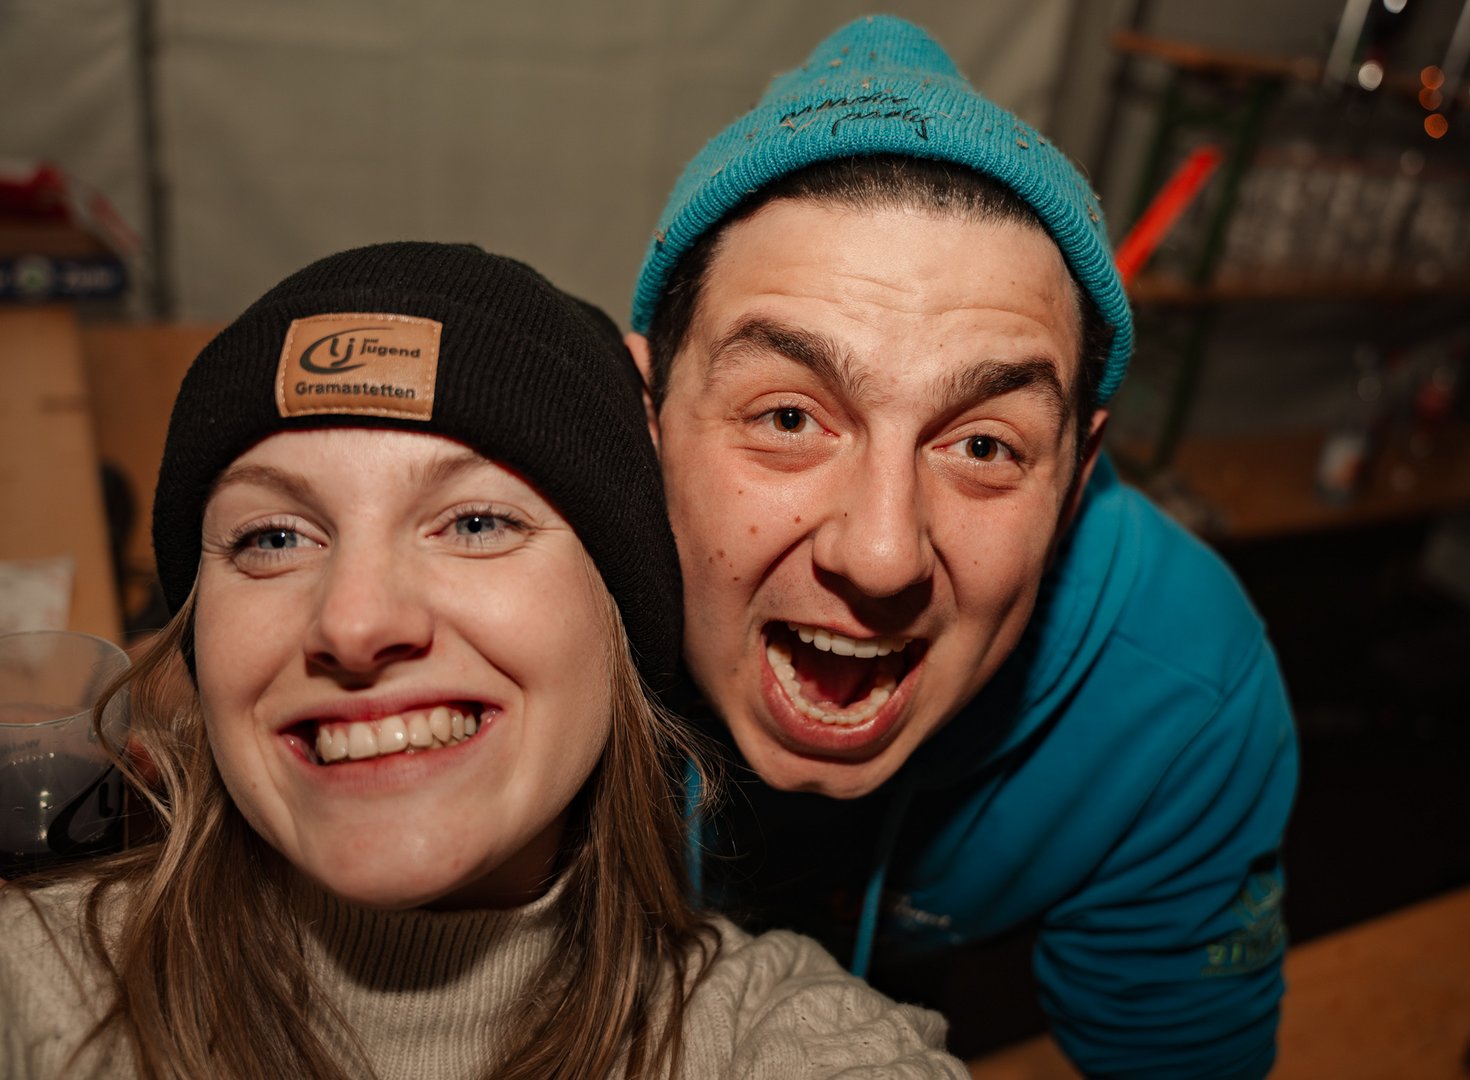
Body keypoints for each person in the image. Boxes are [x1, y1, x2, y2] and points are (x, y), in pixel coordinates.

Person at [0, 242, 968, 1080]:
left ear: (624, 620)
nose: (354, 621)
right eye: (274, 538)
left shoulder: (783, 1041)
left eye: (474, 523)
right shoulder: (33, 992)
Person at [624, 16, 1298, 1079]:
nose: (883, 553)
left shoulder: (1178, 694)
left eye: (984, 445)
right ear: (649, 414)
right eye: (789, 417)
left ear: (1077, 476)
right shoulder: (515, 581)